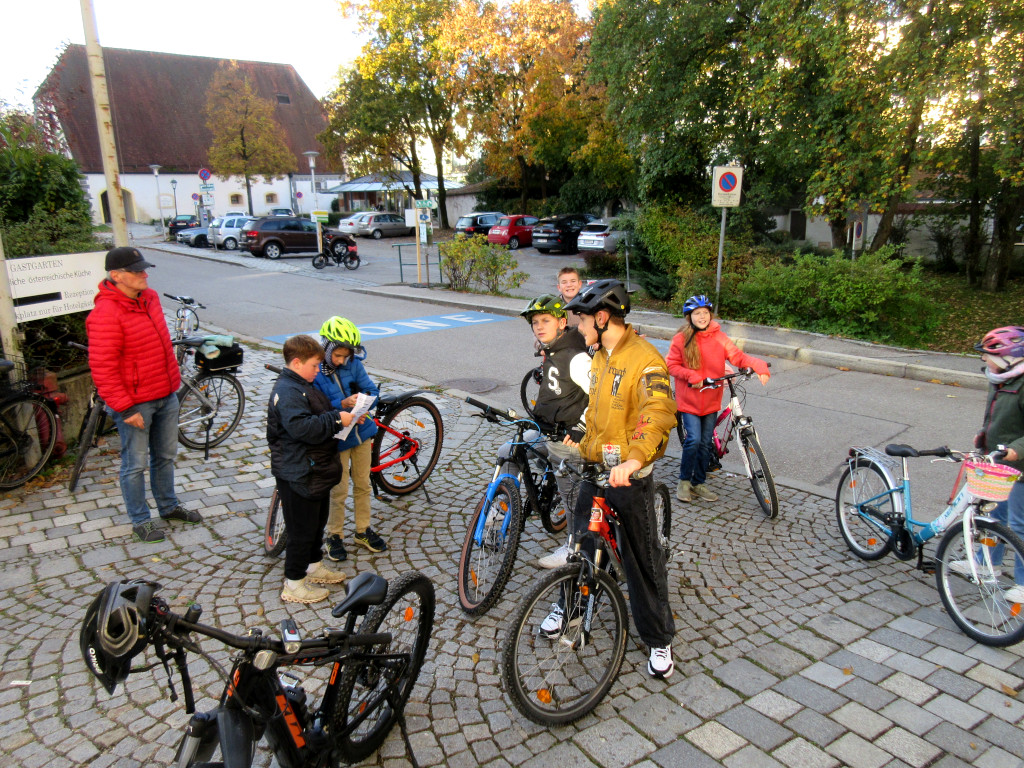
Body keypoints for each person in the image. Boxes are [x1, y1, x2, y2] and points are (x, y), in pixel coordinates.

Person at [561, 279, 679, 679]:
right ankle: (572, 614)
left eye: (582, 319)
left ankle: (659, 639)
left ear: (602, 316)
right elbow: (598, 410)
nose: (577, 327)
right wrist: (577, 437)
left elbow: (658, 411)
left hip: (629, 477)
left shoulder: (645, 359)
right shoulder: (600, 355)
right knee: (580, 544)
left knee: (642, 561)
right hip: (595, 469)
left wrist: (633, 460)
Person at [85, 246, 201, 543]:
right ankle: (140, 520)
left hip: (165, 393)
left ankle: (169, 505)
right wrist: (124, 408)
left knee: (164, 456)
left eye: (143, 269)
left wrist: (172, 384)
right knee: (134, 464)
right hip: (136, 403)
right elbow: (103, 369)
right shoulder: (106, 313)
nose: (144, 274)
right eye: (136, 271)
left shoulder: (148, 299)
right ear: (116, 276)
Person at [267, 335, 350, 604]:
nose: (318, 370)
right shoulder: (289, 391)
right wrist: (337, 419)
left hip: (314, 470)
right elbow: (303, 428)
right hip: (299, 471)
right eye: (314, 365)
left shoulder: (302, 384)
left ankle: (313, 566)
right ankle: (293, 584)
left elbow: (316, 415)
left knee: (316, 524)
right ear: (296, 362)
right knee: (301, 530)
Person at [666, 295, 770, 503]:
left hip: (711, 400)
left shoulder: (719, 337)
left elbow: (737, 356)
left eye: (705, 312)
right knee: (693, 439)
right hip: (690, 400)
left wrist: (757, 365)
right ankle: (684, 482)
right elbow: (671, 365)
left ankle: (699, 482)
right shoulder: (681, 339)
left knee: (705, 443)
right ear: (689, 317)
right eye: (697, 313)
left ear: (710, 314)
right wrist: (692, 376)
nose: (702, 316)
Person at [518, 295, 591, 569]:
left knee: (572, 498)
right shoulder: (554, 349)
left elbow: (599, 395)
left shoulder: (575, 356)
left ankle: (574, 547)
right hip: (546, 429)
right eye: (535, 322)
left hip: (567, 438)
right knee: (509, 451)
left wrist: (581, 426)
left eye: (545, 320)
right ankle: (503, 506)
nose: (538, 326)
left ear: (562, 322)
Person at [313, 317, 387, 560]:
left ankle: (362, 529)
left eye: (346, 356)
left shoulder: (353, 365)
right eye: (338, 356)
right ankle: (334, 534)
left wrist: (363, 406)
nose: (342, 361)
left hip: (362, 433)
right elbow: (316, 408)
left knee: (363, 483)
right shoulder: (316, 373)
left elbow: (372, 391)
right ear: (327, 348)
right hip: (337, 439)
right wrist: (341, 405)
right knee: (339, 488)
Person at [964, 326, 1024, 604]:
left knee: (1018, 525)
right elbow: (996, 417)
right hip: (997, 461)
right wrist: (984, 435)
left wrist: (1016, 450)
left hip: (1020, 468)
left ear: (1008, 359)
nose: (985, 361)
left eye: (989, 356)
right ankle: (987, 564)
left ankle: (1023, 583)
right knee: (993, 517)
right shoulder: (1000, 380)